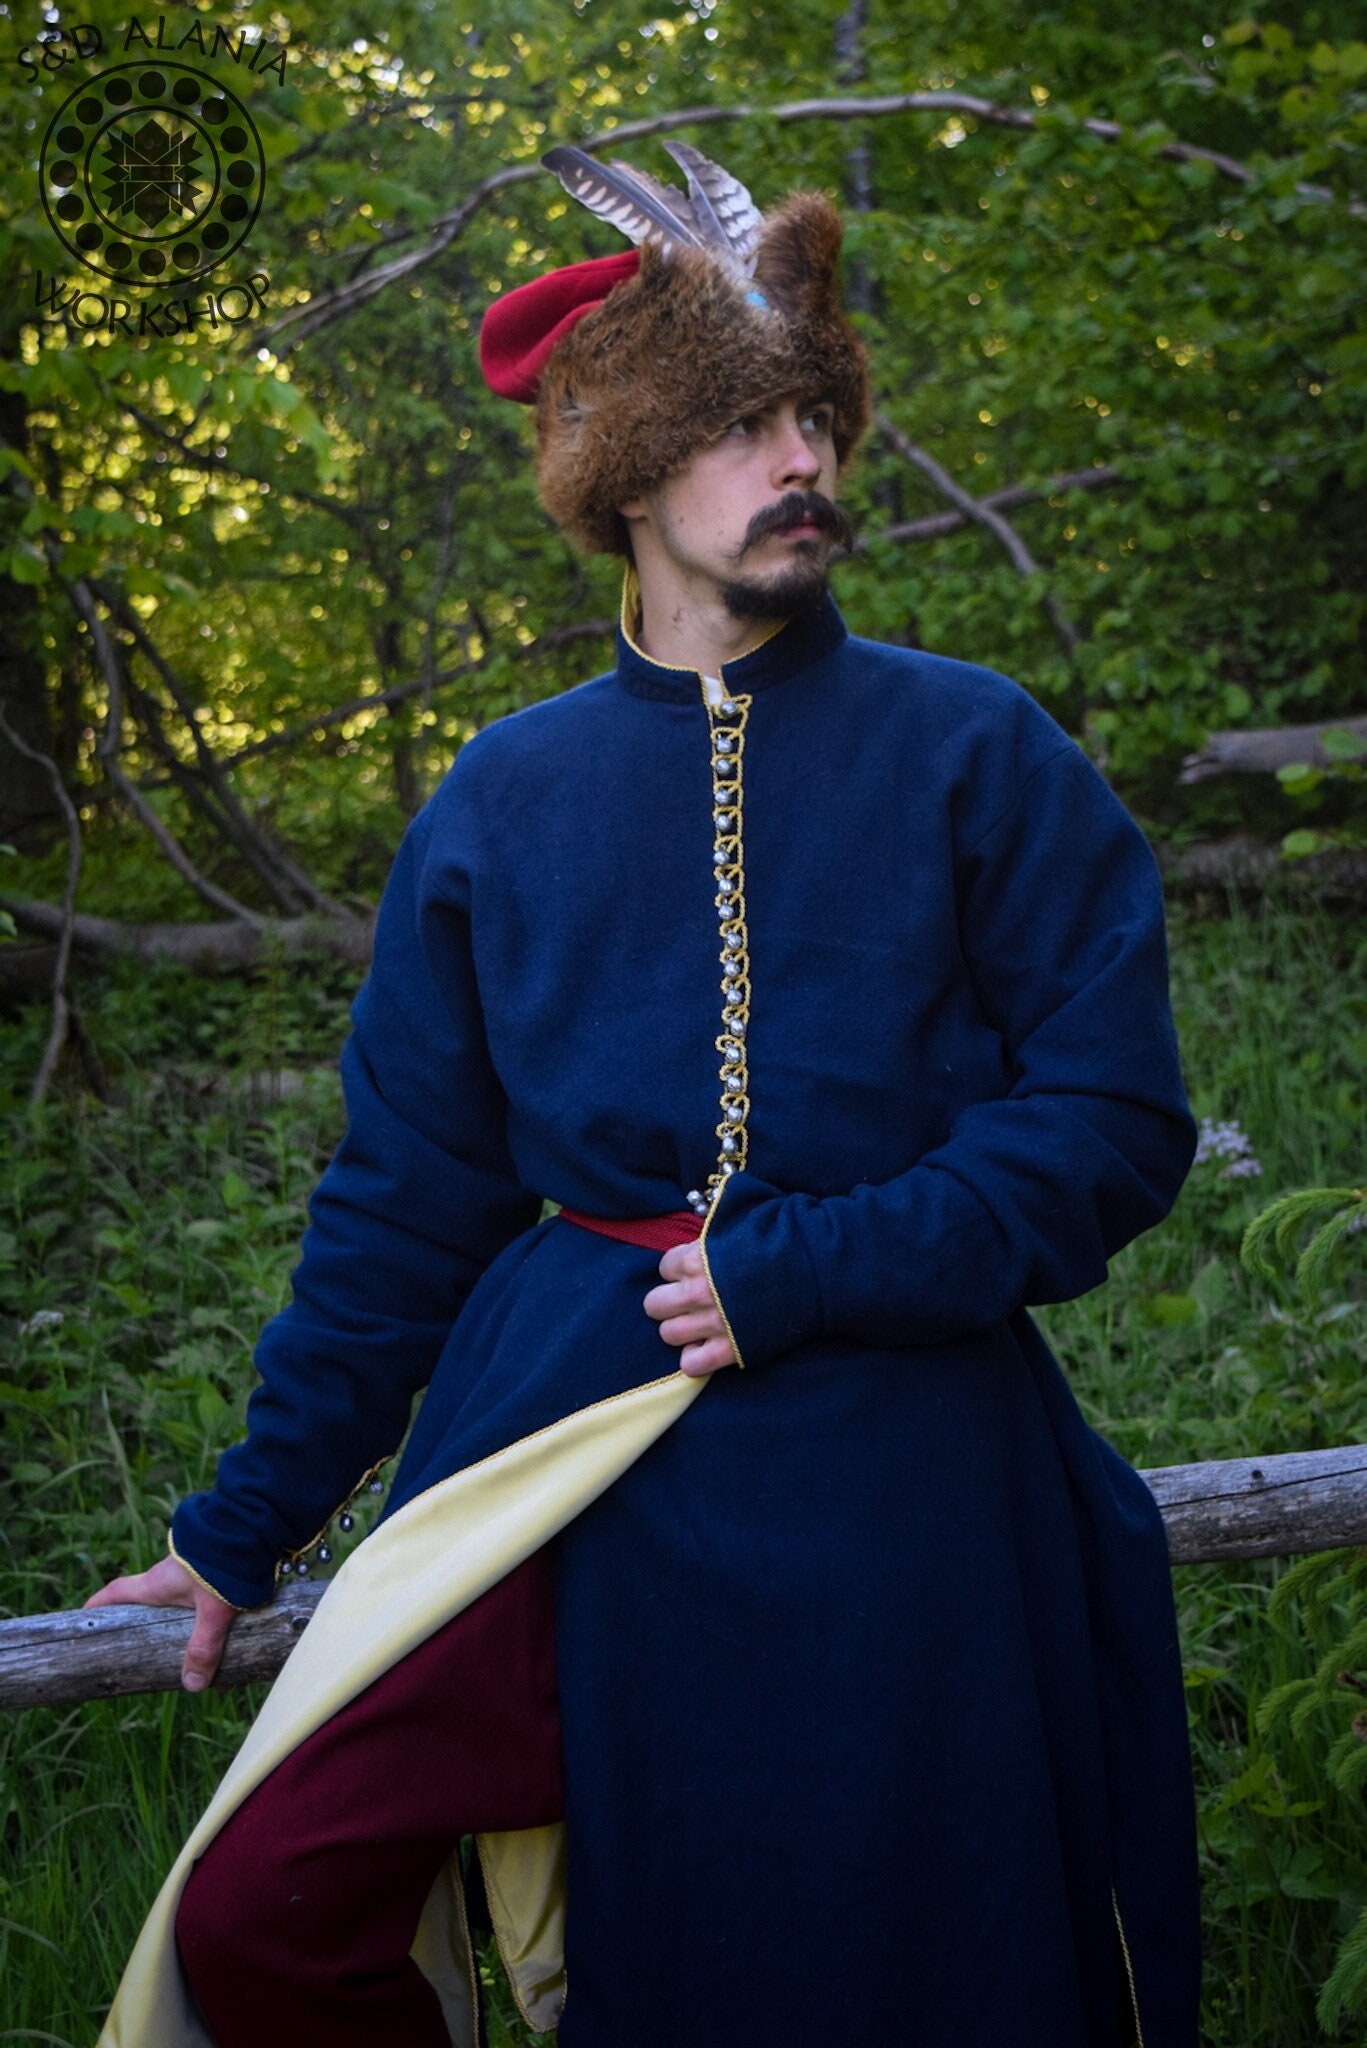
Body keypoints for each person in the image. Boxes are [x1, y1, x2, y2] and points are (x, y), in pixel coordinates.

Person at [91, 149, 1201, 2048]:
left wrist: (828, 1263)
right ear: (619, 464)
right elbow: (407, 1195)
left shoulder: (978, 752)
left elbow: (1111, 1117)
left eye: (815, 420)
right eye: (742, 427)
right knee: (270, 1896)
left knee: (873, 1954)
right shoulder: (502, 800)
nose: (803, 467)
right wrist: (238, 1523)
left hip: (902, 1443)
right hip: (560, 1442)